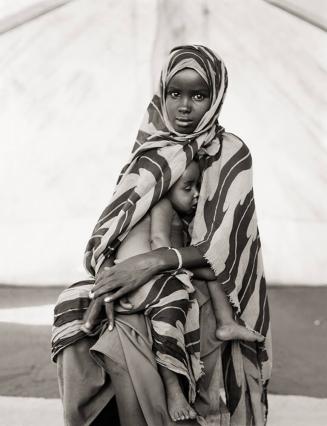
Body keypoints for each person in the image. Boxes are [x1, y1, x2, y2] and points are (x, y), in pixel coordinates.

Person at [52, 45, 272, 426]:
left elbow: (225, 246)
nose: (184, 107)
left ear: (216, 95)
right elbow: (116, 219)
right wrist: (113, 270)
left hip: (202, 276)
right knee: (74, 309)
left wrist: (148, 264)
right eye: (175, 93)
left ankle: (163, 407)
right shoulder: (151, 149)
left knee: (137, 326)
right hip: (142, 271)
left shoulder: (231, 154)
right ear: (162, 94)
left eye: (199, 95)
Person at [81, 158, 263, 422]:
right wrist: (172, 267)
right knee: (171, 308)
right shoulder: (162, 203)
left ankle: (225, 322)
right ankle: (173, 388)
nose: (196, 193)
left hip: (148, 273)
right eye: (187, 187)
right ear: (166, 187)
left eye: (198, 186)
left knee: (215, 273)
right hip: (142, 274)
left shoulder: (185, 216)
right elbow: (158, 241)